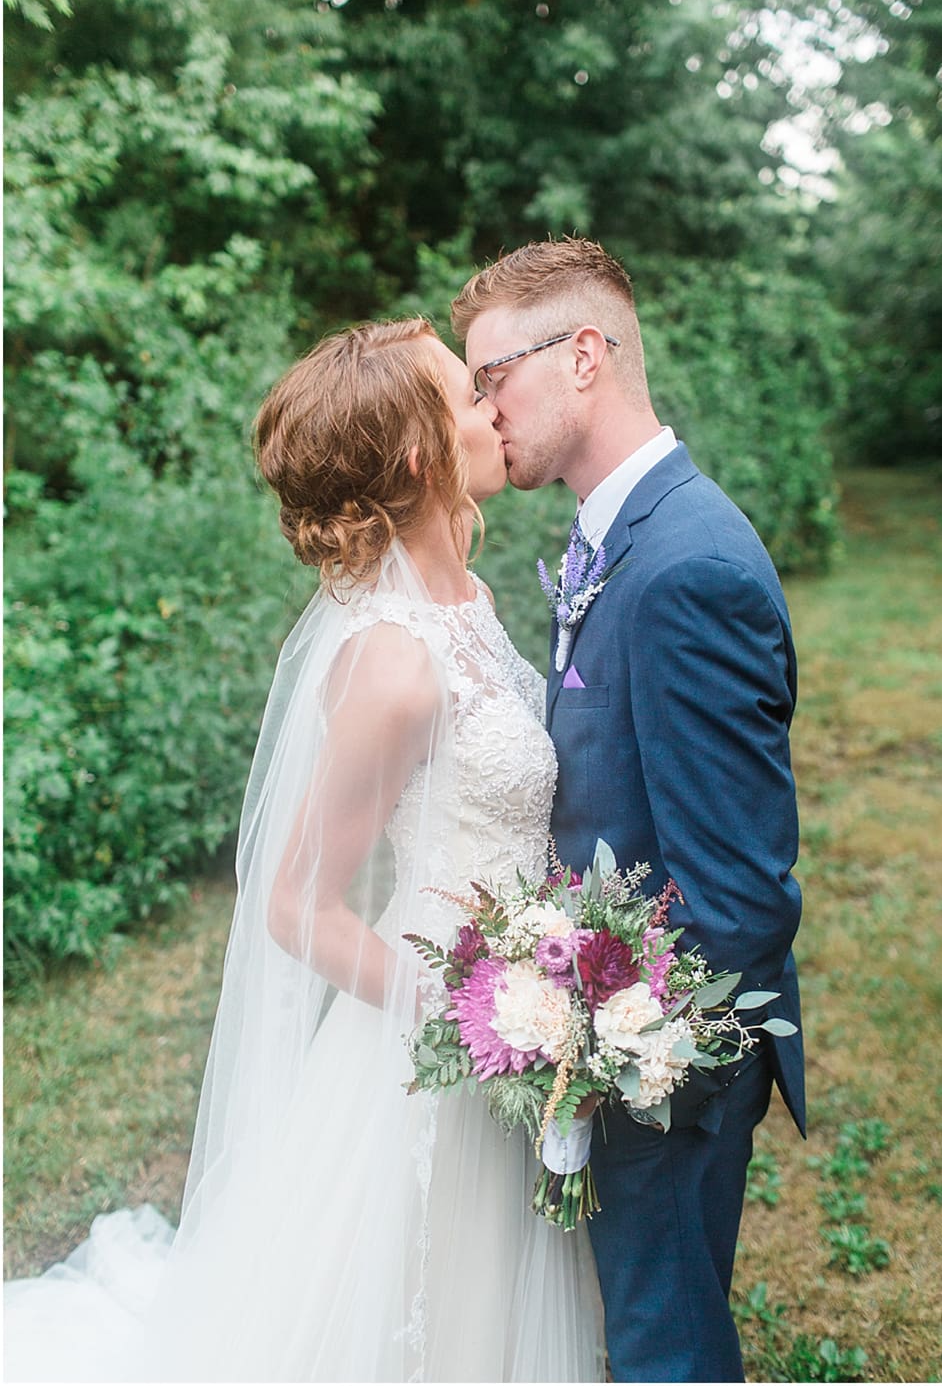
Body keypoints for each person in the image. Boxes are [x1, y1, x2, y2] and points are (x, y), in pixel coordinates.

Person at [3, 319, 604, 1380]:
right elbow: (294, 904)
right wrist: (480, 1019)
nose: (493, 409)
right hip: (451, 1030)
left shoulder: (470, 602)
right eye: (470, 396)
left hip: (527, 990)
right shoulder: (393, 665)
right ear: (422, 454)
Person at [452, 239, 806, 1384]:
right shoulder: (614, 529)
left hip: (661, 1061)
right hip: (615, 1019)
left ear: (584, 356)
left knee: (665, 1347)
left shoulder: (685, 564)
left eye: (491, 373)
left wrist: (619, 1056)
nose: (481, 404)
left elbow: (741, 892)